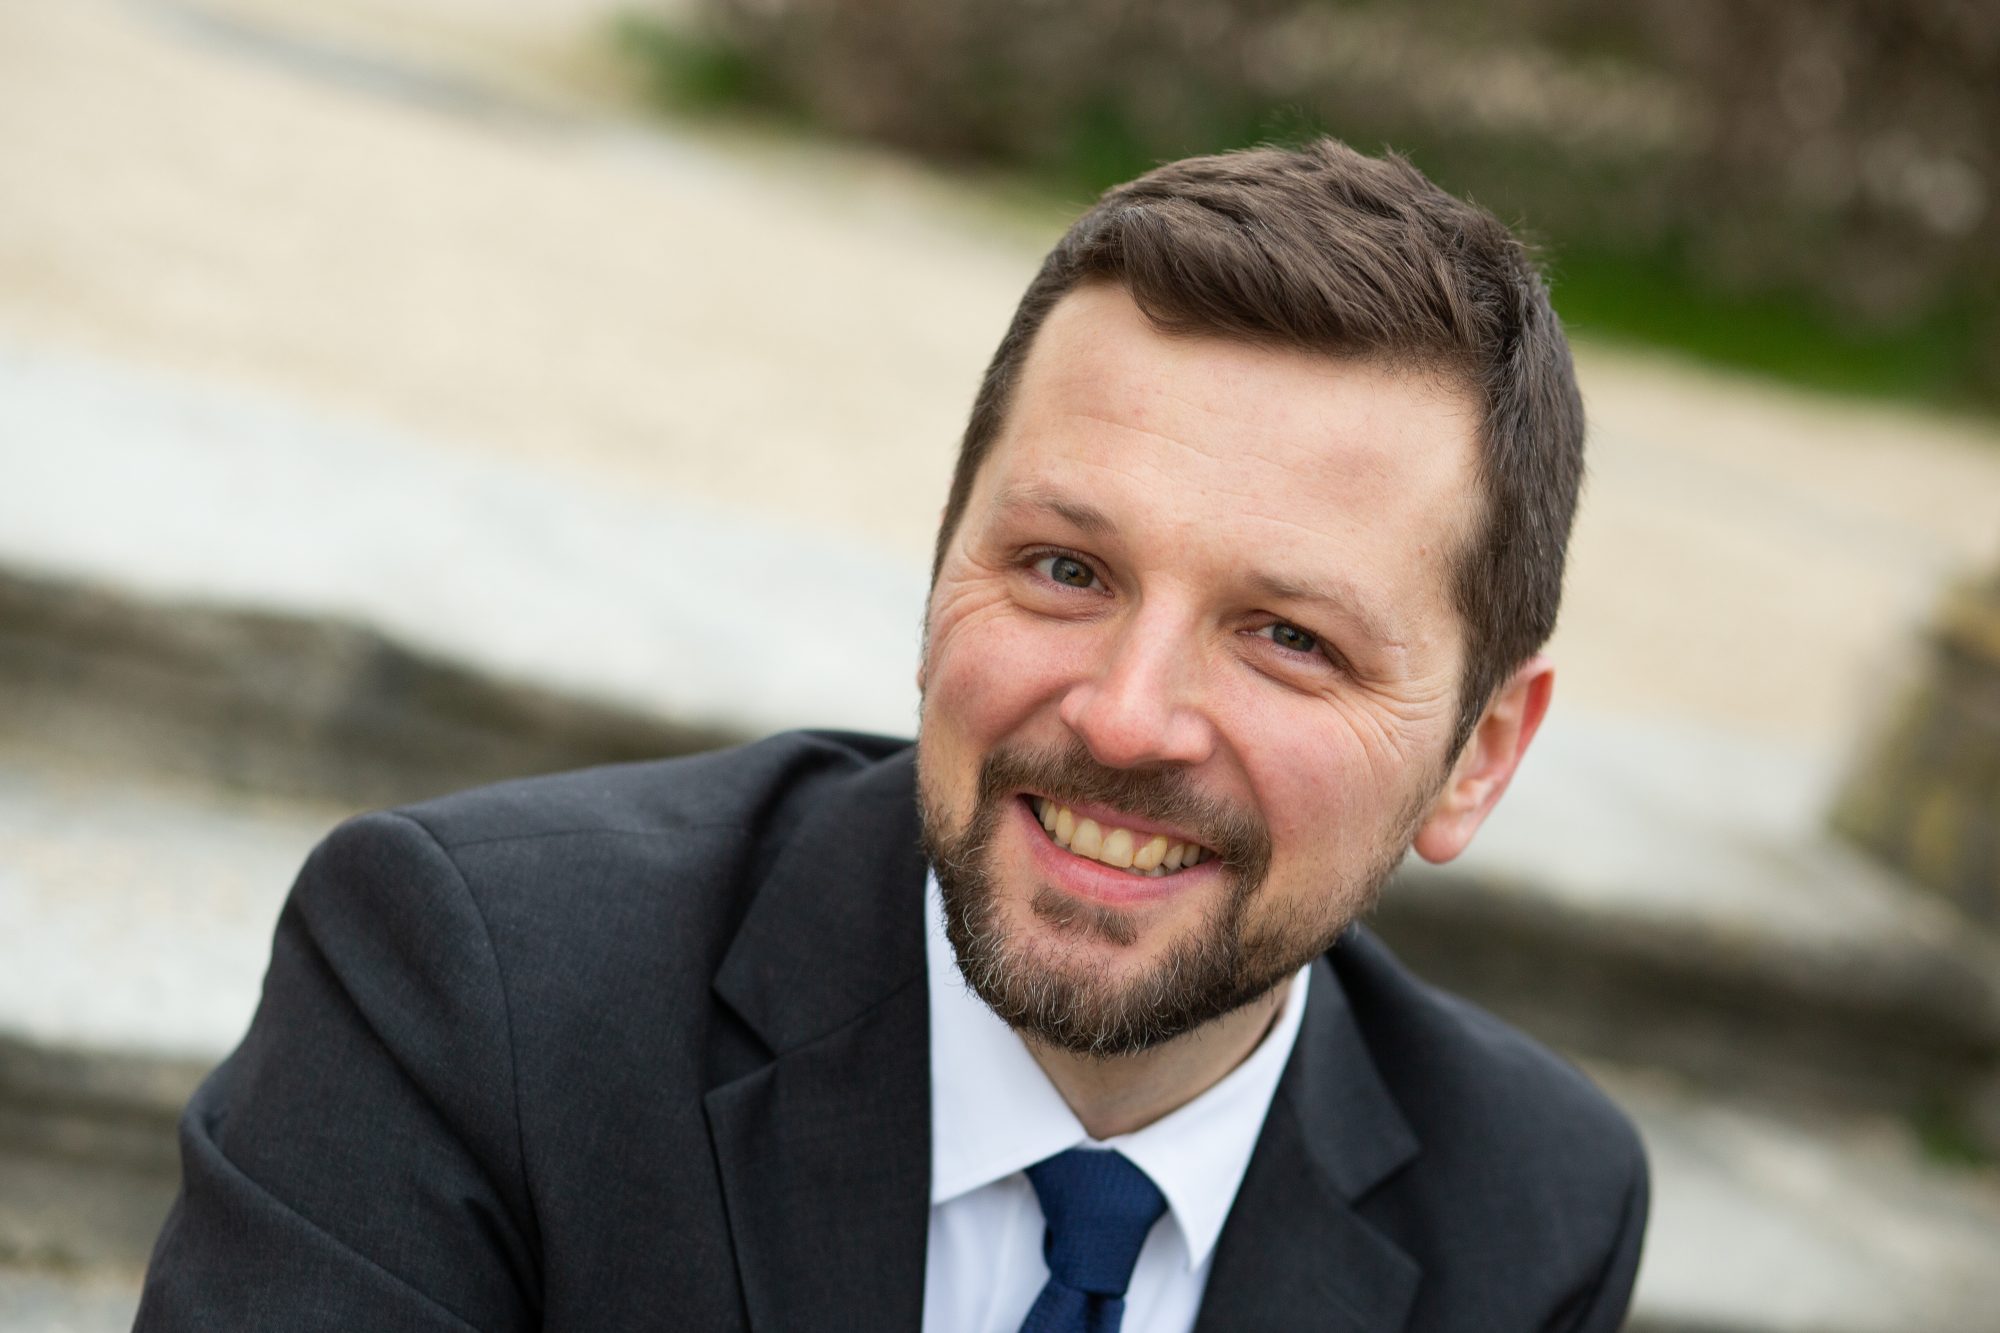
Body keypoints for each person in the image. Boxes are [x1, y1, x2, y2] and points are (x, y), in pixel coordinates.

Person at [136, 139, 1647, 1332]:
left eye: (1290, 638)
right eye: (1065, 568)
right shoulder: (477, 990)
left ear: (1480, 755)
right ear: (942, 567)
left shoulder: (1534, 1210)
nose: (1126, 716)